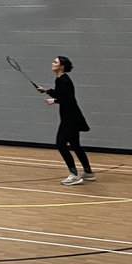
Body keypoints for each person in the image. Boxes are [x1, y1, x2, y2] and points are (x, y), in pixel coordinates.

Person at [34, 55, 93, 186]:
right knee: (75, 145)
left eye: (55, 62)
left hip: (70, 119)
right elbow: (62, 94)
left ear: (61, 66)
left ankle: (74, 175)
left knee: (60, 144)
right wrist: (47, 91)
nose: (52, 63)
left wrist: (54, 101)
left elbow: (68, 100)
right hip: (72, 117)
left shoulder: (63, 80)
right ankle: (88, 172)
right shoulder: (61, 79)